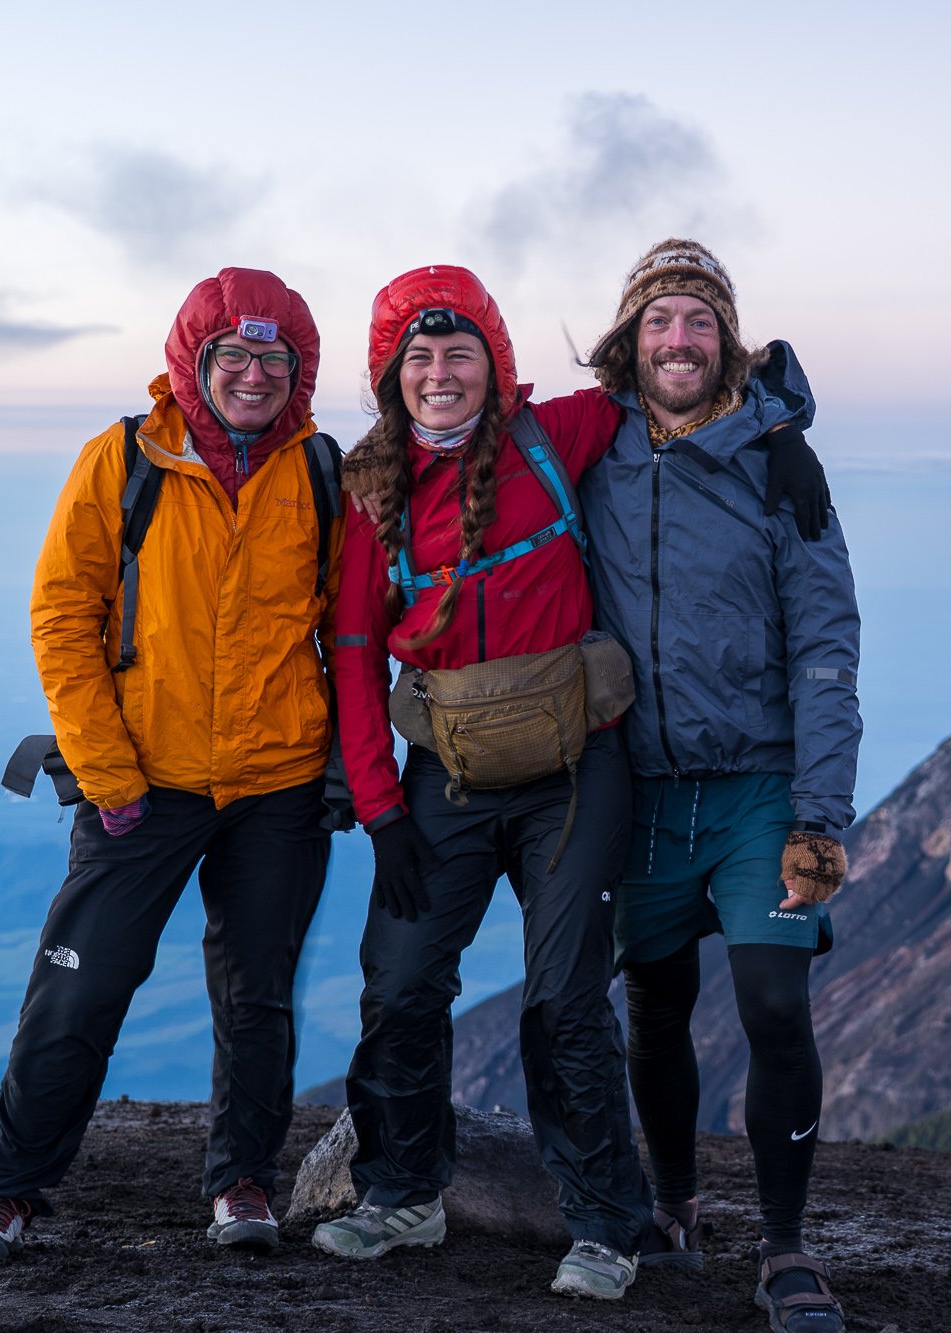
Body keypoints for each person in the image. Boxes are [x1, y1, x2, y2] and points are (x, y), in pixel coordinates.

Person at [0, 269, 340, 1261]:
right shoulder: (123, 459)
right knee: (78, 988)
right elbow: (62, 618)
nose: (252, 376)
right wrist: (107, 772)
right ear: (194, 362)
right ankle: (8, 1188)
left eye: (275, 360)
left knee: (257, 997)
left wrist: (337, 767)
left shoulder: (320, 469)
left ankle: (242, 1182)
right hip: (140, 781)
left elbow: (347, 628)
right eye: (232, 355)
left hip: (277, 783)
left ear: (299, 372)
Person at [314, 264, 667, 1299]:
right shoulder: (371, 495)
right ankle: (402, 1193)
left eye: (458, 352)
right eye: (417, 357)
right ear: (391, 375)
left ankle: (604, 1226)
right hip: (448, 779)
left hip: (575, 771)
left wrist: (780, 424)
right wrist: (382, 811)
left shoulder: (557, 435)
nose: (439, 373)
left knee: (564, 999)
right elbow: (351, 653)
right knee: (400, 983)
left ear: (494, 363)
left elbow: (670, 383)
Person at [581, 239, 860, 1333]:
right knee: (653, 1005)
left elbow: (826, 646)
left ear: (728, 343)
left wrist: (818, 819)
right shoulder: (594, 449)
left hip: (758, 786)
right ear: (629, 340)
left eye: (700, 320)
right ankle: (674, 1206)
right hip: (644, 788)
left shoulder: (778, 467)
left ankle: (785, 1247)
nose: (679, 339)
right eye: (659, 320)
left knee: (774, 1004)